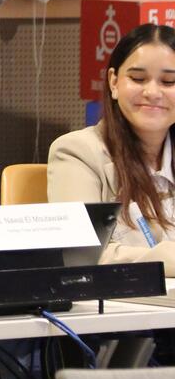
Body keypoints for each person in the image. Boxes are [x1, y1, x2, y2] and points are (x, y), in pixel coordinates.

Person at [49, 24, 175, 275]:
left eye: (168, 81)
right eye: (138, 79)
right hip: (125, 308)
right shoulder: (77, 152)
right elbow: (81, 255)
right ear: (114, 82)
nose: (152, 92)